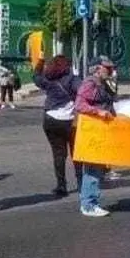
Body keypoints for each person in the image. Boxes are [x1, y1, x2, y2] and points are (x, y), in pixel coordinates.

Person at [33, 55, 82, 196]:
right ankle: (81, 184)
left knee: (58, 154)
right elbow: (83, 91)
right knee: (77, 154)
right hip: (70, 121)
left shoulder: (48, 79)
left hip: (51, 120)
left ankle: (61, 186)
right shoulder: (72, 79)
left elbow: (36, 77)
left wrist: (40, 62)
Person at [74, 59, 117, 217]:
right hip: (92, 131)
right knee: (92, 169)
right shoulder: (90, 83)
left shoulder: (104, 83)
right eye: (107, 68)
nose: (111, 70)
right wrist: (97, 112)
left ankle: (90, 201)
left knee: (97, 169)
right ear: (97, 69)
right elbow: (79, 104)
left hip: (101, 130)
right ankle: (89, 204)